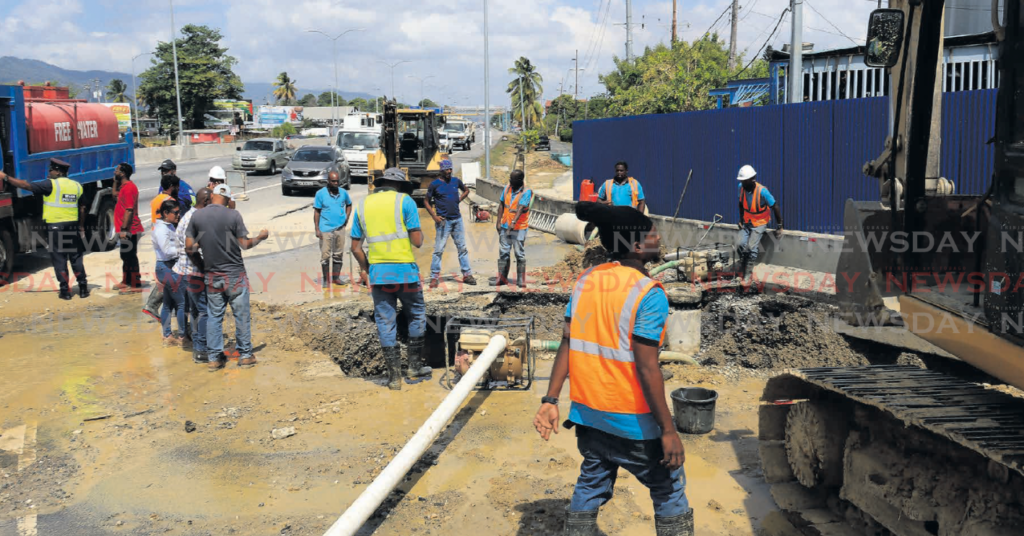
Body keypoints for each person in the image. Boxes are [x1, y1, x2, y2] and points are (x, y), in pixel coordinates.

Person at [533, 202, 692, 536]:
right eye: (652, 235)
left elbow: (568, 343)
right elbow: (648, 369)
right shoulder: (649, 294)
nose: (658, 238)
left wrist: (550, 399)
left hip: (589, 418)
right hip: (635, 425)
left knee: (591, 483)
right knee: (668, 489)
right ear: (636, 246)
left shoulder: (587, 280)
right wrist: (667, 430)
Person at [351, 168, 430, 390]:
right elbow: (417, 241)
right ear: (399, 186)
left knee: (386, 322)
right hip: (405, 272)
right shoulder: (405, 202)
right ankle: (414, 366)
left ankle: (394, 378)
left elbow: (355, 247)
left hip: (378, 275)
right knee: (416, 314)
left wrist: (365, 270)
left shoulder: (363, 205)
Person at [186, 184, 269, 371]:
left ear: (213, 196)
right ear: (228, 199)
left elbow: (189, 247)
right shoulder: (233, 215)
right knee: (241, 315)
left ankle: (214, 359)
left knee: (215, 317)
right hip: (235, 275)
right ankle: (245, 356)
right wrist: (261, 237)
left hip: (212, 276)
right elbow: (245, 245)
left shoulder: (197, 216)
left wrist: (201, 265)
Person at [0, 158, 89, 300]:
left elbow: (27, 186)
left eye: (51, 170)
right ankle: (83, 288)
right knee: (76, 257)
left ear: (58, 172)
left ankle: (65, 292)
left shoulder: (51, 185)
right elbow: (83, 207)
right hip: (72, 226)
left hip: (56, 227)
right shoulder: (76, 186)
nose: (49, 173)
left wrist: (5, 177)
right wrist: (81, 225)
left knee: (59, 259)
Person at [424, 159, 476, 288]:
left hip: (457, 220)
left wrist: (458, 200)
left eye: (450, 169)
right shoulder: (434, 184)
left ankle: (467, 274)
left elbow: (466, 190)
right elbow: (426, 201)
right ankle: (434, 276)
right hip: (443, 221)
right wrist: (434, 216)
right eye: (447, 169)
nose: (449, 171)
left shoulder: (455, 181)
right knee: (439, 249)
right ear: (441, 170)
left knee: (462, 248)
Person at [177, 188, 212, 363]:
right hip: (195, 272)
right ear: (205, 202)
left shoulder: (189, 215)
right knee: (203, 311)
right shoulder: (195, 218)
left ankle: (199, 347)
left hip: (188, 272)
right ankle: (201, 349)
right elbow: (190, 249)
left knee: (196, 311)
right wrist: (203, 267)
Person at [735, 164, 783, 280]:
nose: (743, 184)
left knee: (751, 247)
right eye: (742, 181)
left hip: (760, 222)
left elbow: (775, 206)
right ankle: (743, 264)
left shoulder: (763, 191)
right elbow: (741, 204)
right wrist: (741, 220)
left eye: (745, 181)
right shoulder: (741, 187)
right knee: (740, 244)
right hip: (747, 221)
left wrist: (780, 226)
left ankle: (748, 273)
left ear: (752, 179)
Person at [152, 198, 185, 345]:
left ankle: (167, 335)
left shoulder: (168, 226)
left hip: (168, 266)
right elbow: (166, 251)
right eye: (176, 213)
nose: (178, 215)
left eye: (179, 212)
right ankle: (183, 336)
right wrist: (183, 250)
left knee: (167, 303)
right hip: (166, 267)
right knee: (181, 303)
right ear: (166, 213)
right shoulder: (161, 229)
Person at [492, 170, 532, 289]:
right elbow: (501, 205)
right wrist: (498, 221)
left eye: (512, 180)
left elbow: (520, 209)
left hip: (519, 227)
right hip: (505, 225)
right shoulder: (507, 188)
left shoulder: (526, 192)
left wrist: (513, 224)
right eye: (510, 179)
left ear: (519, 181)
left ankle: (520, 279)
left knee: (519, 253)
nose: (510, 181)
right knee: (503, 252)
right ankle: (502, 278)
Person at [314, 171, 353, 288]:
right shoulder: (320, 194)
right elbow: (317, 212)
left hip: (340, 228)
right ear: (328, 181)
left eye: (337, 181)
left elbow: (349, 205)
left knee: (338, 254)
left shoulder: (343, 193)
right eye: (333, 181)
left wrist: (346, 218)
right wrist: (317, 229)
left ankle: (336, 278)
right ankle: (326, 280)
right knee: (325, 255)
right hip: (325, 229)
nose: (336, 183)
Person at [113, 163, 144, 292]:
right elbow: (114, 195)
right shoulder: (123, 187)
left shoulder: (129, 188)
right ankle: (126, 281)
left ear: (123, 173)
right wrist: (115, 182)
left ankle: (135, 284)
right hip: (125, 229)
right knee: (125, 256)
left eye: (117, 170)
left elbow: (129, 210)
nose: (115, 171)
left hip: (130, 230)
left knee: (130, 256)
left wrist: (124, 230)